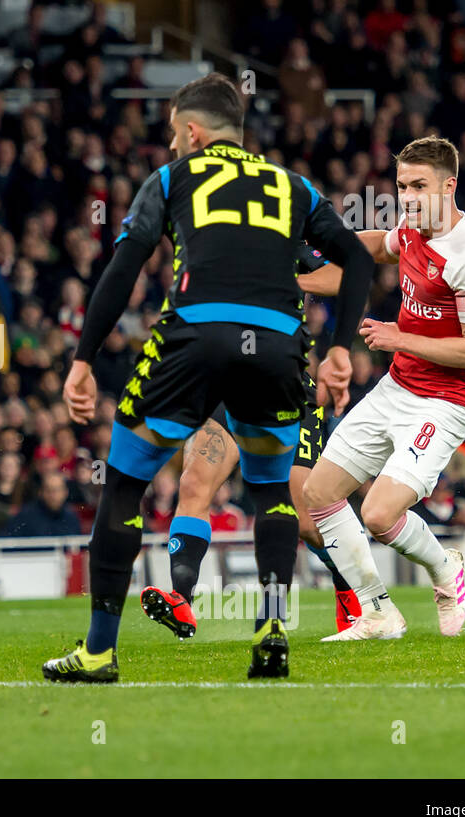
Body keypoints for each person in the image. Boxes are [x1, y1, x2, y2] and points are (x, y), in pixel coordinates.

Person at [45, 72, 372, 682]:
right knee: (273, 491)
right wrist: (338, 350)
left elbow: (125, 264)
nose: (172, 146)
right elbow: (355, 255)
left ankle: (97, 652)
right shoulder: (293, 187)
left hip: (194, 335)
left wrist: (84, 357)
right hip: (278, 346)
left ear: (192, 132)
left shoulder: (172, 178)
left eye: (173, 134)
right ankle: (273, 624)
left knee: (123, 484)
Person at [304, 136, 465, 640]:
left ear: (449, 186)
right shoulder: (412, 229)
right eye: (401, 186)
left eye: (419, 186)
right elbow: (370, 252)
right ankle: (378, 612)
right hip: (399, 386)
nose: (408, 196)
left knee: (378, 513)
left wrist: (398, 337)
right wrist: (300, 277)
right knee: (319, 492)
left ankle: (445, 571)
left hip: (447, 401)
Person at [141, 244, 363, 639]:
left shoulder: (284, 233)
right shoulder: (203, 239)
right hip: (227, 386)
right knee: (192, 483)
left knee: (306, 519)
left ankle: (347, 585)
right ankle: (180, 599)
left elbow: (343, 276)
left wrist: (289, 281)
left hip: (286, 386)